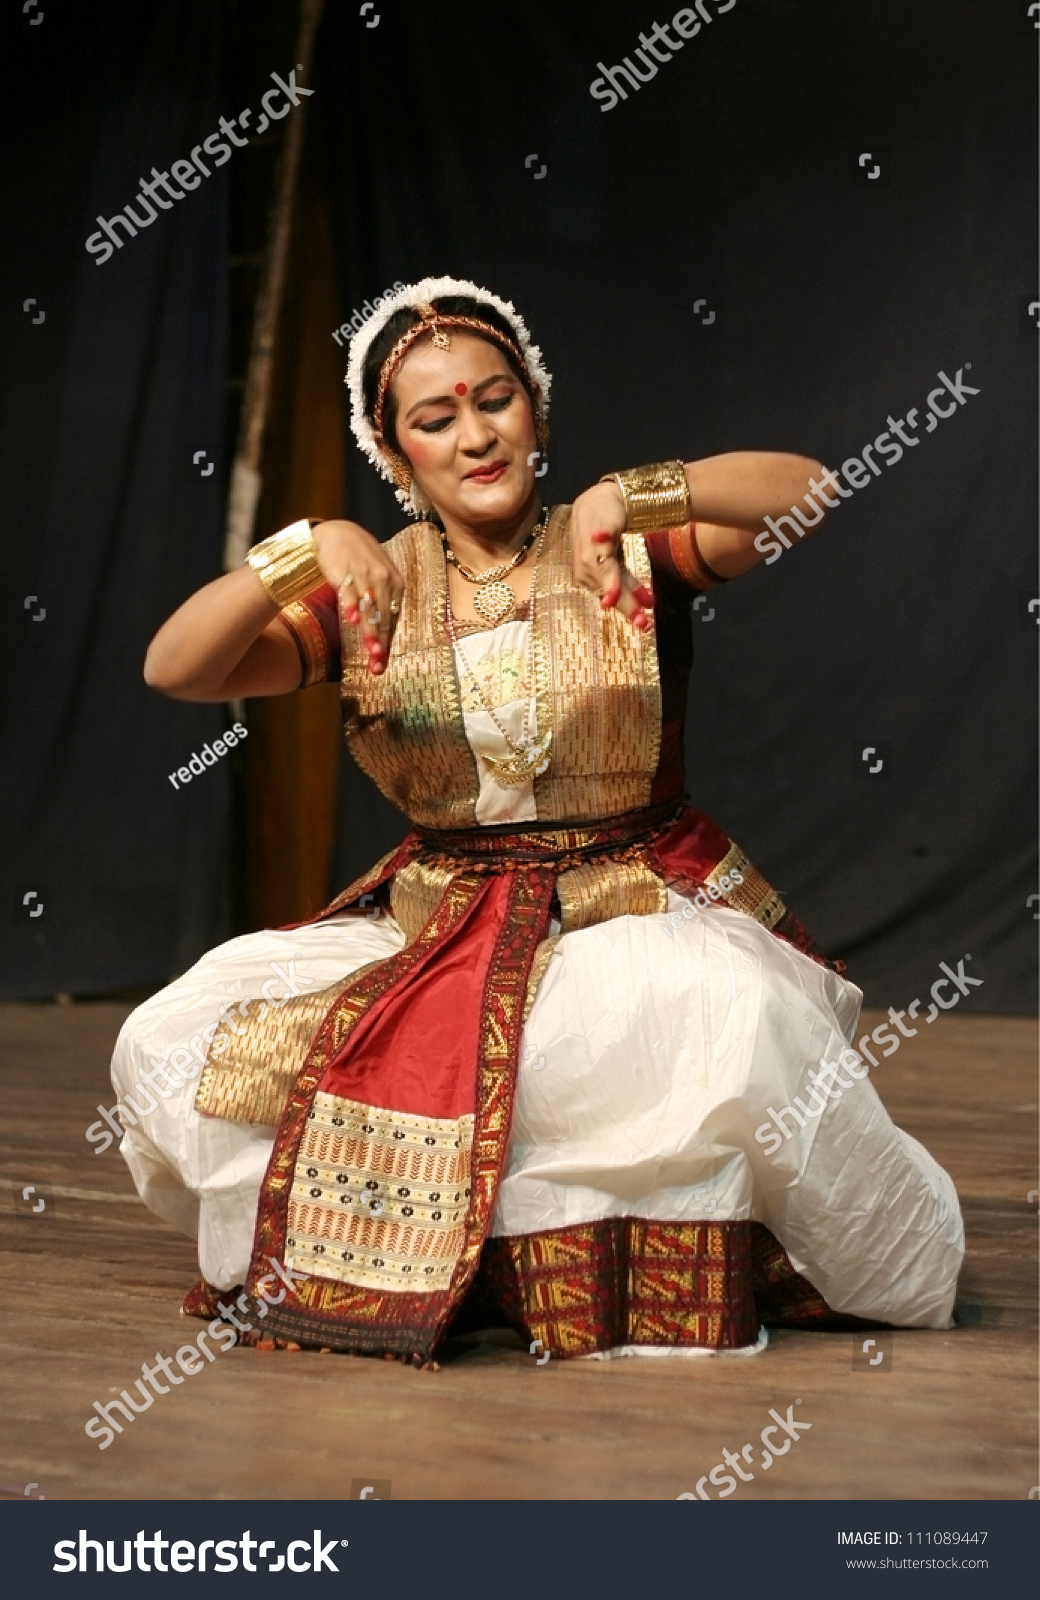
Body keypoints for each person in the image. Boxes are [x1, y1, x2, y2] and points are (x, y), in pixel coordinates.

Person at [113, 275, 963, 1365]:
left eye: (494, 400)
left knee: (723, 1016)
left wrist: (638, 493)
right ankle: (455, 1269)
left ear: (536, 412)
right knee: (174, 1041)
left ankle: (603, 1270)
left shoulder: (618, 546)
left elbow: (807, 490)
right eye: (435, 418)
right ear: (396, 450)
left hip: (630, 900)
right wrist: (305, 541)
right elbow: (174, 667)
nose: (474, 435)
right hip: (445, 918)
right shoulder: (374, 585)